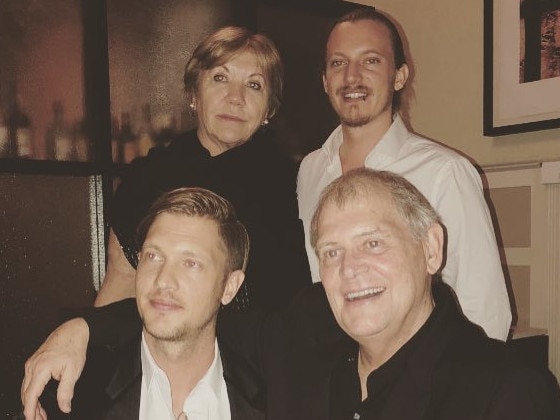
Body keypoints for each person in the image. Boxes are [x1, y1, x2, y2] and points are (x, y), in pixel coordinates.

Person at [21, 169, 560, 420]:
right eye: (331, 251)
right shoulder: (302, 346)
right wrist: (82, 328)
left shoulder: (508, 392)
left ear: (431, 248)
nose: (351, 270)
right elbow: (185, 313)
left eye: (372, 242)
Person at [296, 7, 512, 340]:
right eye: (338, 63)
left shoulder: (444, 173)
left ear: (399, 76)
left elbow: (485, 312)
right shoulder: (309, 171)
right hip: (330, 371)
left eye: (370, 61)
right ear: (325, 81)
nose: (352, 77)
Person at [96, 25, 310, 311]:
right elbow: (121, 286)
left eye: (254, 84)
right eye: (220, 78)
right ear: (194, 93)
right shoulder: (147, 179)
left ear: (269, 109)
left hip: (264, 352)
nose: (236, 97)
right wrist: (85, 335)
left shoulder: (293, 185)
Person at [38, 187, 266, 419]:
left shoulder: (273, 397)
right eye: (153, 256)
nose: (163, 280)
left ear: (230, 287)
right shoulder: (70, 392)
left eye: (191, 263)